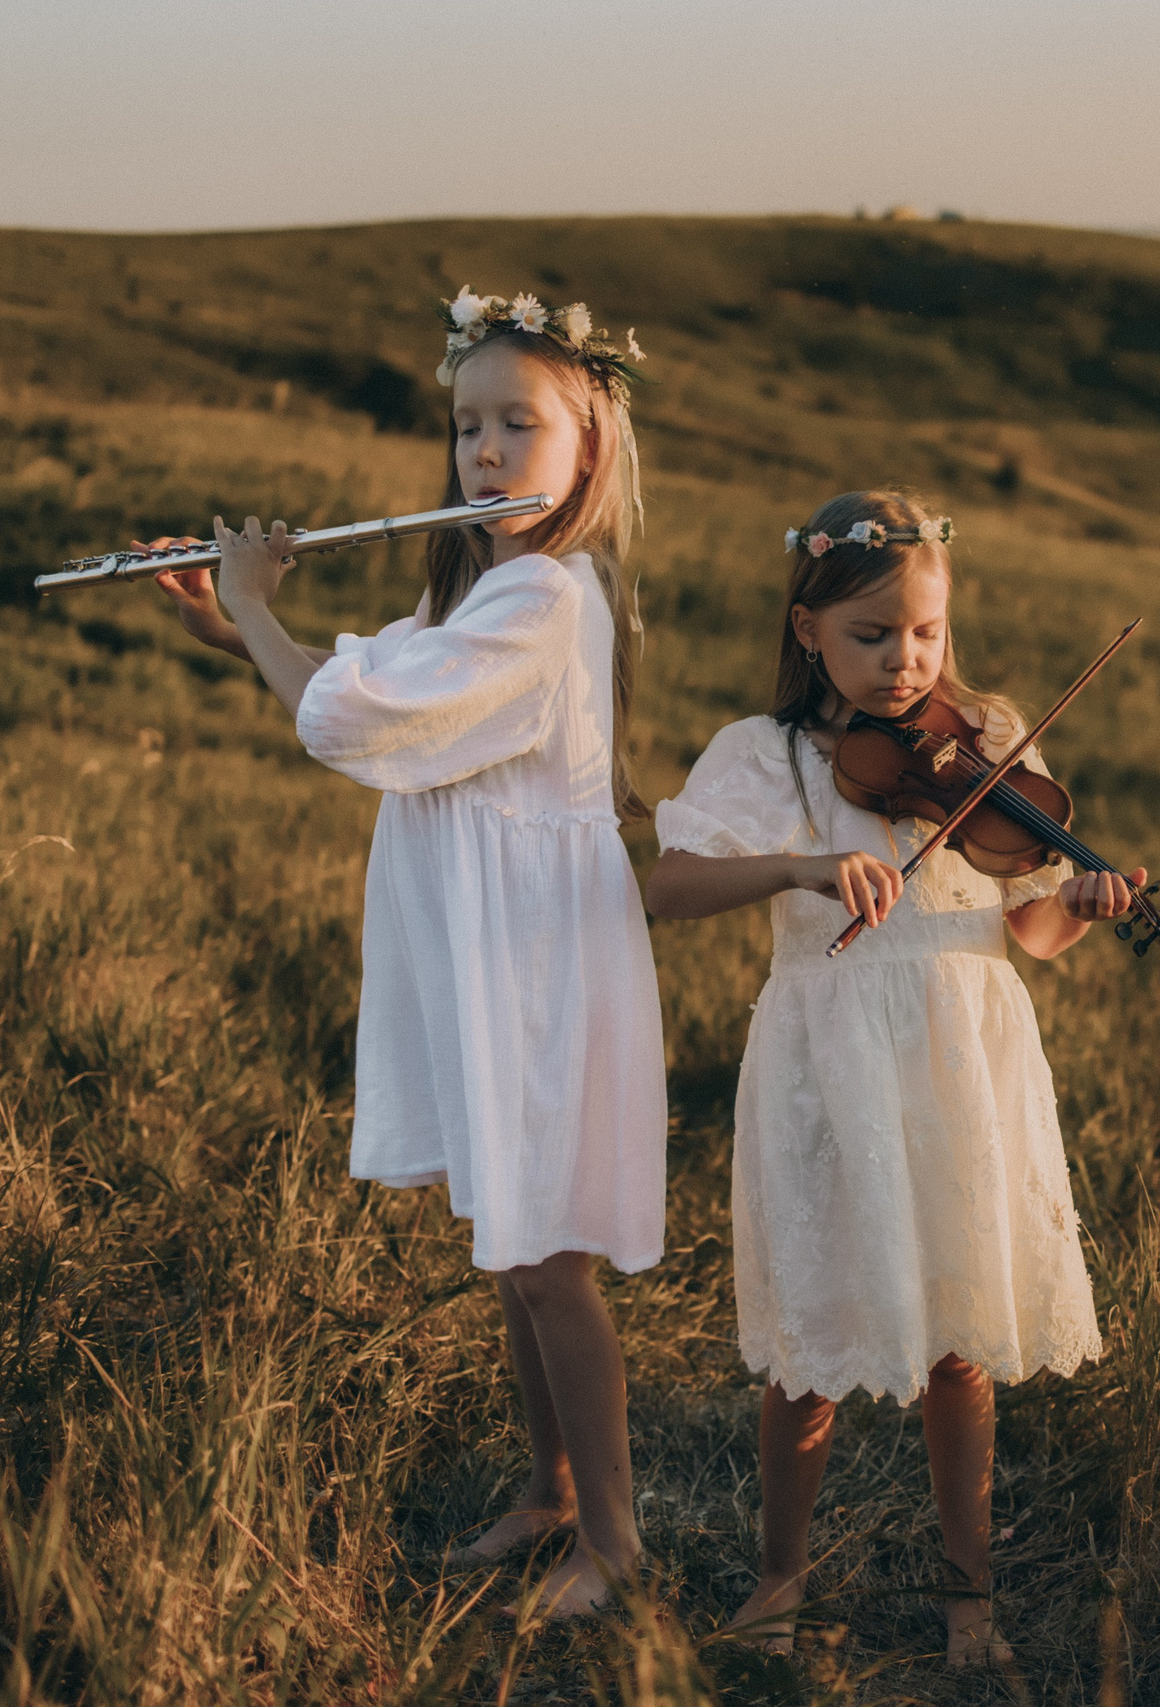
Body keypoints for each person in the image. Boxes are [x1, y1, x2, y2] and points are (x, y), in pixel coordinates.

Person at [152, 289, 664, 1616]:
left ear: (589, 447)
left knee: (549, 1255)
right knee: (511, 1241)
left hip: (540, 961)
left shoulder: (549, 595)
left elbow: (359, 726)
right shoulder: (495, 589)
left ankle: (614, 1543)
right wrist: (236, 626)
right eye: (465, 426)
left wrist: (262, 611)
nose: (484, 452)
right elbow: (399, 686)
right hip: (489, 952)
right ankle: (550, 1491)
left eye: (517, 424)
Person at [643, 490, 1133, 1664]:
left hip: (961, 1054)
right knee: (809, 1346)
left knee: (961, 1343)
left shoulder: (988, 738)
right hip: (828, 1061)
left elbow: (1026, 932)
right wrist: (800, 868)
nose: (904, 663)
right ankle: (777, 1582)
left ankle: (971, 1601)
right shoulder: (764, 756)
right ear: (808, 628)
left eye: (922, 634)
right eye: (871, 637)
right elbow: (665, 888)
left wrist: (1076, 903)